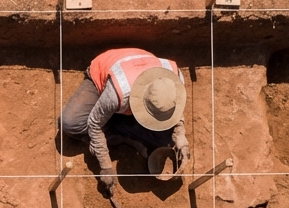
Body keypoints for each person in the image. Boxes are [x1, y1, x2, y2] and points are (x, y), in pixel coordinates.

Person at [60, 48, 192, 194]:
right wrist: (105, 167)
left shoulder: (175, 79)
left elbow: (175, 109)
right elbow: (94, 124)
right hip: (106, 76)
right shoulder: (117, 93)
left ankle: (117, 129)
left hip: (138, 71)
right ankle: (117, 131)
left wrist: (181, 138)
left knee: (164, 138)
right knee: (70, 123)